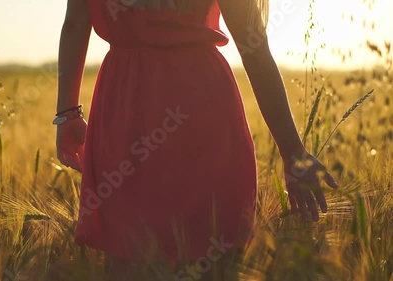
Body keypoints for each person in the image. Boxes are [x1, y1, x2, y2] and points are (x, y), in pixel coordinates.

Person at [55, 0, 338, 280]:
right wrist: (292, 151)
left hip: (127, 112)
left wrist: (67, 114)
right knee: (213, 256)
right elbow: (255, 50)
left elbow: (75, 24)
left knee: (132, 257)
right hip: (203, 105)